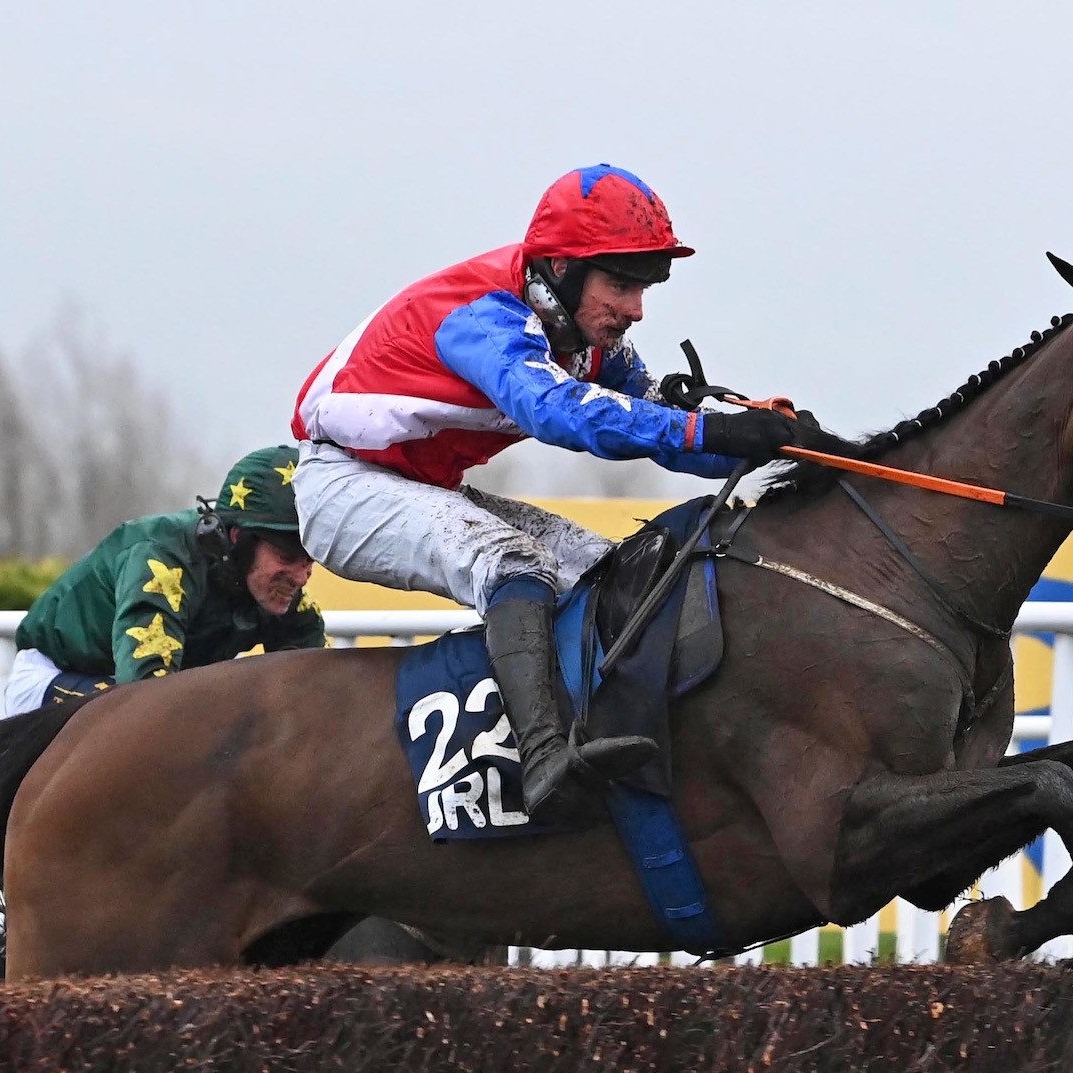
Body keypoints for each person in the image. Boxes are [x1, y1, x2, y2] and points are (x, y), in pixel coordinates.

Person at [290, 162, 827, 820]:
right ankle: (545, 757)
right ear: (564, 270)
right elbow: (561, 413)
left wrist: (783, 443)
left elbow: (663, 423)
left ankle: (613, 734)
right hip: (343, 487)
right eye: (623, 285)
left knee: (613, 569)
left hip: (418, 482)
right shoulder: (483, 318)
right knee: (516, 561)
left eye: (644, 288)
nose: (635, 309)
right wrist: (711, 427)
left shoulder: (584, 334)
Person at [4, 445, 326, 714]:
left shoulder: (283, 594)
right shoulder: (161, 562)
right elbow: (146, 698)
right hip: (55, 677)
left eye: (309, 558)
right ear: (239, 538)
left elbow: (310, 697)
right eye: (287, 556)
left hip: (147, 692)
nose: (301, 576)